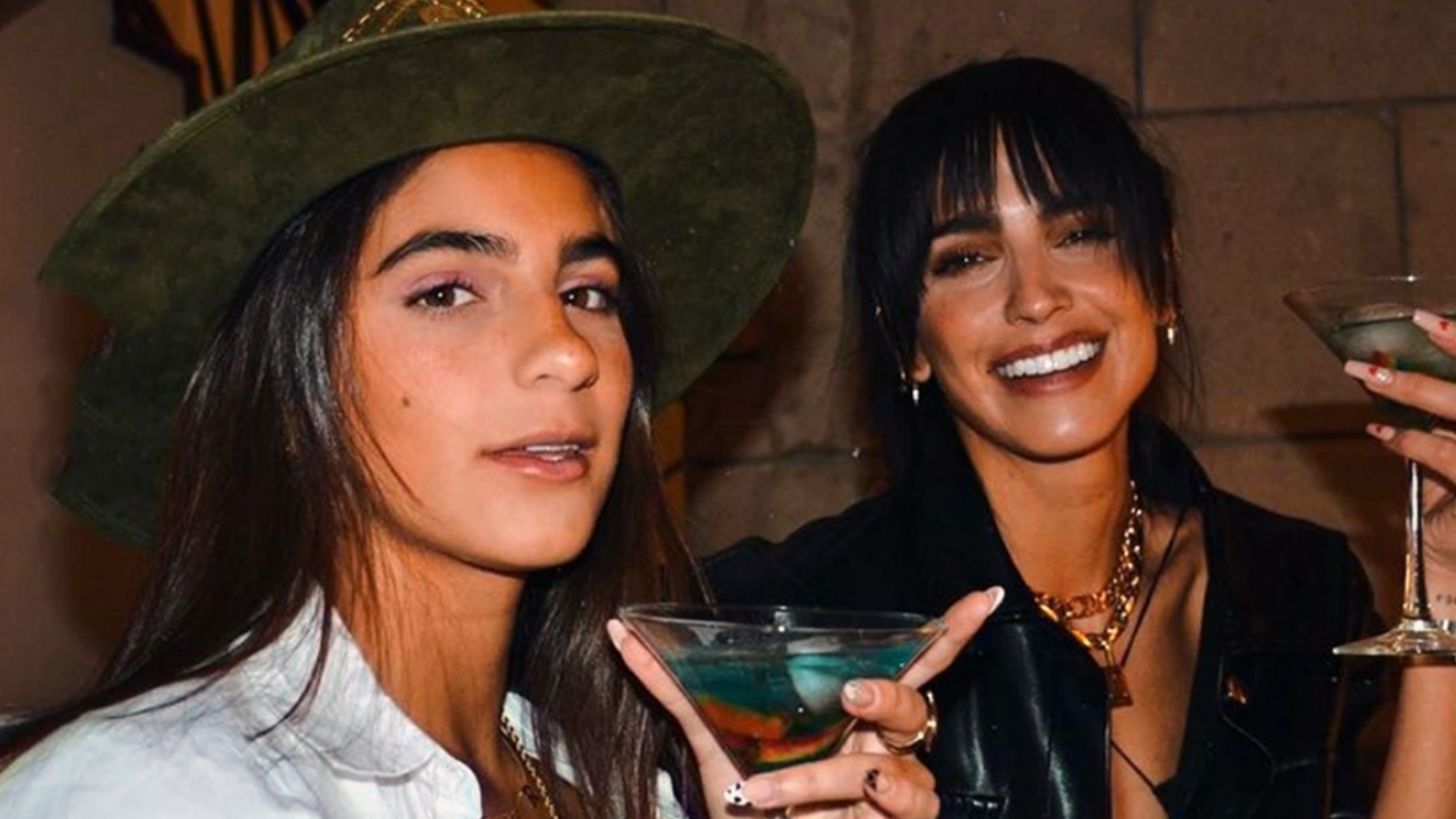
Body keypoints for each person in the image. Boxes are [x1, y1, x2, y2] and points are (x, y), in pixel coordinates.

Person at [0, 4, 998, 817]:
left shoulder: (618, 782)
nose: (567, 350)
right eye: (447, 291)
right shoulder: (150, 789)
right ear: (290, 393)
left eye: (589, 292)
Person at [707, 56, 1456, 818]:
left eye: (1080, 234)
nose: (1036, 297)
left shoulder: (1296, 587)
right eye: (968, 258)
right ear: (909, 341)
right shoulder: (806, 620)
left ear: (1160, 274)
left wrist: (1448, 588)